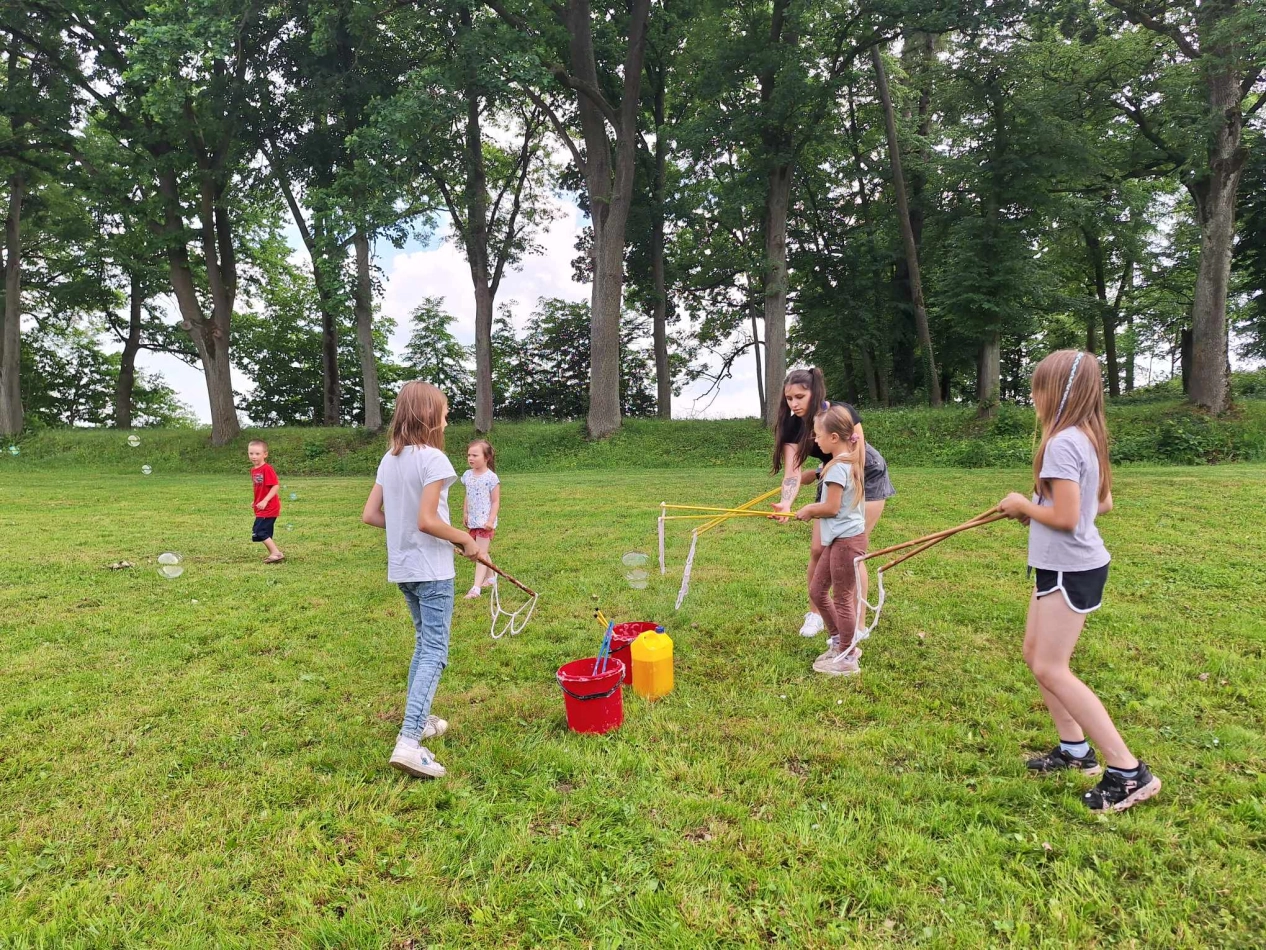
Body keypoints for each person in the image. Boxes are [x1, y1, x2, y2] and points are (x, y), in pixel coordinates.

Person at [997, 350, 1161, 813]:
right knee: (1036, 655)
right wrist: (1040, 511)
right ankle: (1074, 750)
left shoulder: (1062, 443)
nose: (1033, 398)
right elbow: (1101, 503)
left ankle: (1128, 772)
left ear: (1056, 392)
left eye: (1037, 389)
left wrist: (1024, 506)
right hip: (1061, 565)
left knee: (1052, 667)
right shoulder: (1086, 436)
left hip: (1070, 567)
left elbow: (1070, 517)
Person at [361, 381, 480, 780]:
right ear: (429, 416)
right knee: (434, 651)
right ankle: (410, 742)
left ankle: (420, 719)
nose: (447, 419)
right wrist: (464, 539)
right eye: (443, 413)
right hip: (431, 571)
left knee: (423, 643)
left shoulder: (390, 458)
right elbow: (428, 520)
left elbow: (371, 515)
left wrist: (412, 533)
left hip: (404, 569)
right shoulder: (434, 459)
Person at [770, 368, 895, 644]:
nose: (794, 403)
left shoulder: (842, 412)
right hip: (832, 474)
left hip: (865, 475)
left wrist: (818, 472)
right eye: (789, 398)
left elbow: (857, 457)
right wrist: (787, 503)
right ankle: (816, 614)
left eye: (800, 397)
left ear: (815, 393)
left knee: (851, 551)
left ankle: (858, 624)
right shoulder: (792, 425)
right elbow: (792, 472)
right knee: (818, 549)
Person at [795, 404, 868, 676]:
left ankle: (847, 655)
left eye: (818, 435)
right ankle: (839, 641)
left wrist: (810, 510)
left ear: (834, 438)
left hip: (847, 541)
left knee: (842, 598)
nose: (815, 440)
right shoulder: (843, 461)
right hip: (839, 539)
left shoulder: (839, 468)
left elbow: (832, 507)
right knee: (817, 591)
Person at [460, 439, 501, 599]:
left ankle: (476, 588)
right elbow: (467, 495)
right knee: (481, 551)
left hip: (485, 523)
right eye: (469, 455)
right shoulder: (467, 475)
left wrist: (490, 520)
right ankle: (490, 578)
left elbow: (495, 501)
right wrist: (465, 513)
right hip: (473, 520)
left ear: (486, 457)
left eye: (475, 455)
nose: (470, 458)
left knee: (480, 553)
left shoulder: (491, 478)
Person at [248, 439, 285, 564]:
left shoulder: (267, 469)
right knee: (262, 532)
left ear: (265, 454)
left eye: (257, 454)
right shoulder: (254, 470)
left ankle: (276, 553)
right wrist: (256, 500)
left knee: (259, 531)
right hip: (262, 506)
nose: (254, 456)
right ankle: (274, 553)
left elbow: (275, 486)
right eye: (251, 453)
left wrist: (265, 500)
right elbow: (260, 488)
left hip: (269, 507)